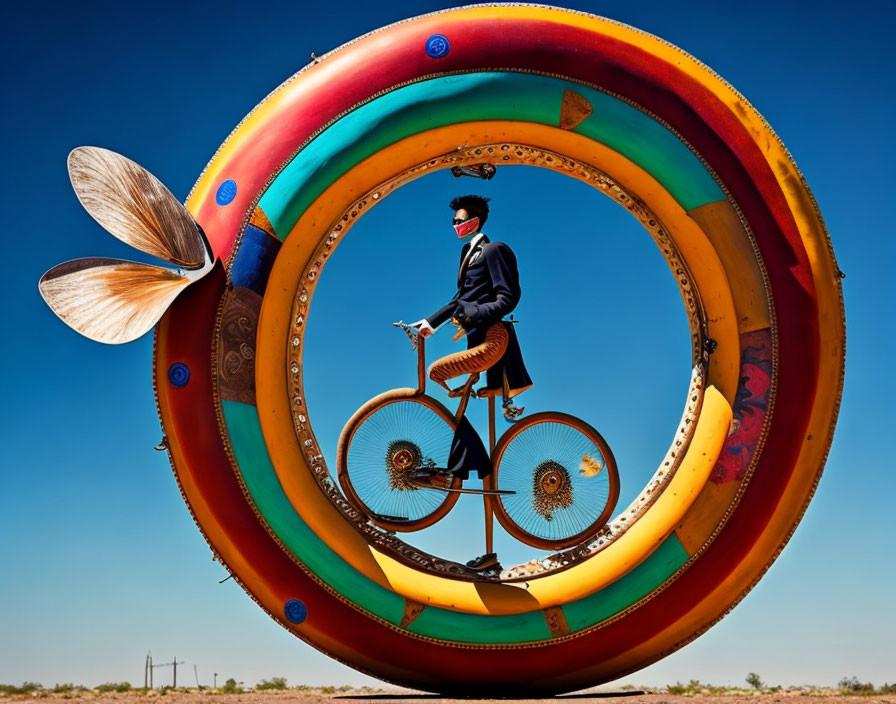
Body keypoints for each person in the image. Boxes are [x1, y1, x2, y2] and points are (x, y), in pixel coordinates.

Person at [414, 194, 532, 419]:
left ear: (474, 222)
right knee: (459, 402)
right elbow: (460, 299)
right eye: (453, 222)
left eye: (458, 221)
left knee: (436, 372)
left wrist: (475, 314)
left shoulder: (494, 249)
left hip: (492, 337)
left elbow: (508, 296)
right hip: (477, 338)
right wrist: (430, 322)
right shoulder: (468, 254)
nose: (455, 226)